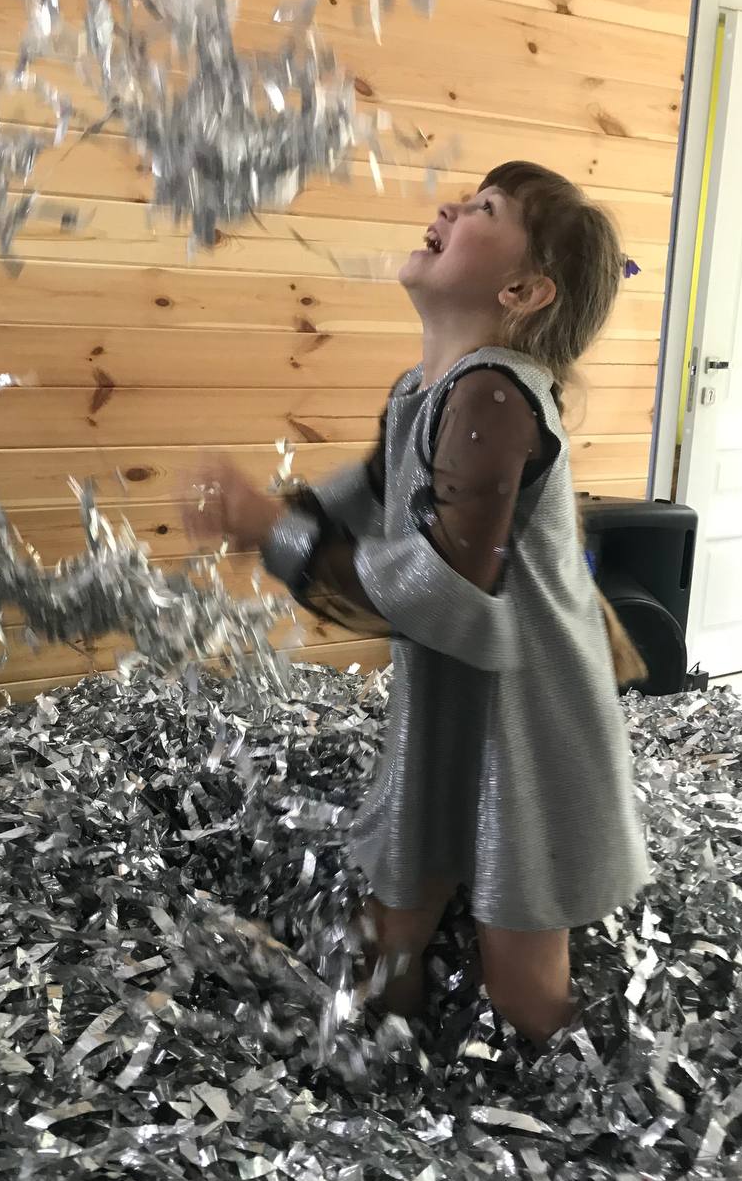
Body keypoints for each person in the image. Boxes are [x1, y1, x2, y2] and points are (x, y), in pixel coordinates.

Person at [183, 162, 649, 1044]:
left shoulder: (495, 394)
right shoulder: (423, 392)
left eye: (483, 209)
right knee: (399, 900)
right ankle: (381, 1074)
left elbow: (441, 588)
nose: (448, 207)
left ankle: (584, 1096)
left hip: (528, 711)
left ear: (521, 291)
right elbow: (359, 500)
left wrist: (268, 529)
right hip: (451, 691)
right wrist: (275, 517)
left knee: (520, 974)